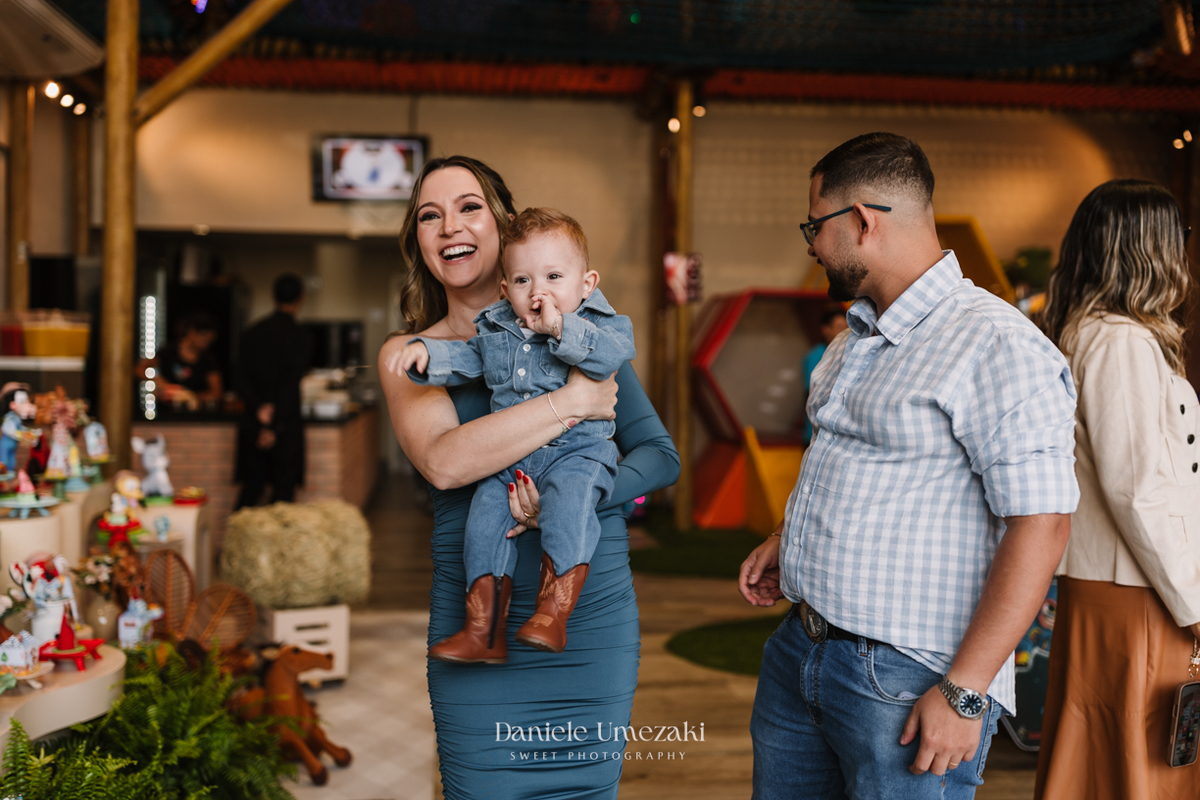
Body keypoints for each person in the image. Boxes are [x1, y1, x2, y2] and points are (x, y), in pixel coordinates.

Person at [737, 132, 1079, 800]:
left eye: (815, 225)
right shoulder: (853, 340)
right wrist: (792, 541)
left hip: (905, 680)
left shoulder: (996, 343)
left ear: (861, 221)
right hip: (800, 649)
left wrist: (965, 694)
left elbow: (1042, 525)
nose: (811, 245)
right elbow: (863, 469)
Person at [378, 155, 678, 798]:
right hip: (475, 623)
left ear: (502, 223)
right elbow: (445, 460)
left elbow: (658, 455)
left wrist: (587, 492)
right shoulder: (410, 354)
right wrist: (572, 403)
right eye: (429, 215)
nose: (449, 225)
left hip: (589, 623)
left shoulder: (580, 323)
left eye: (468, 207)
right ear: (419, 243)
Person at [396, 208, 635, 660]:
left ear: (587, 284)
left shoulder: (603, 323)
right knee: (483, 522)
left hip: (577, 453)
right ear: (506, 289)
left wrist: (560, 327)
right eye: (523, 281)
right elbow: (470, 359)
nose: (538, 292)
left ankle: (553, 612)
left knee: (569, 504)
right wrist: (430, 359)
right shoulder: (497, 325)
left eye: (554, 277)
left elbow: (611, 356)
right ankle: (483, 629)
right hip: (513, 461)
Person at [1034, 180, 1200, 799]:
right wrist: (1194, 601)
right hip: (1137, 587)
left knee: (1112, 747)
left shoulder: (1093, 333)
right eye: (1178, 237)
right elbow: (1138, 489)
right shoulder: (1120, 342)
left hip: (1121, 583)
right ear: (1148, 249)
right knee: (1142, 754)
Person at [235, 274, 312, 508]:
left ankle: (237, 543)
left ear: (272, 296)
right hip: (286, 424)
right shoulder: (302, 337)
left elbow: (239, 378)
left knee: (251, 489)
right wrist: (275, 422)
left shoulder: (251, 333)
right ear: (301, 299)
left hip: (254, 423)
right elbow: (290, 384)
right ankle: (278, 545)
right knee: (284, 494)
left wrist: (261, 411)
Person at [136, 311, 223, 410]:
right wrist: (158, 381)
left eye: (209, 340)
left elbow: (216, 392)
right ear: (191, 332)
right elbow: (139, 369)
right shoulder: (169, 352)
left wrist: (188, 396)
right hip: (166, 412)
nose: (205, 342)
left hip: (196, 415)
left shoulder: (208, 359)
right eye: (203, 336)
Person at [800, 304, 848, 444]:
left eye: (847, 327)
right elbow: (814, 395)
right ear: (826, 330)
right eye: (840, 327)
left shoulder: (846, 353)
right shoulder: (816, 356)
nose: (845, 332)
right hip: (817, 434)